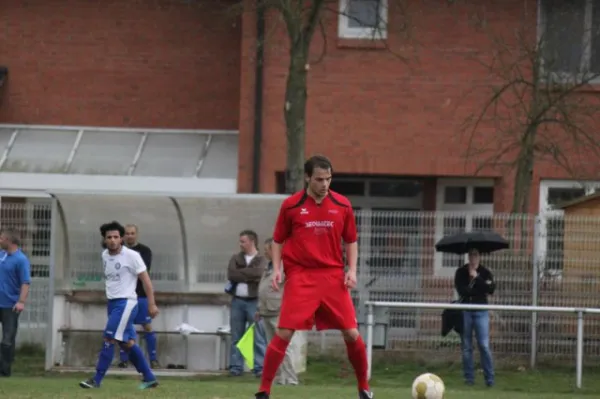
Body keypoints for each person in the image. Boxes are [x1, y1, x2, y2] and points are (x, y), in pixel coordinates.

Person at [254, 155, 373, 399]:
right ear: (308, 177)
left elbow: (351, 240)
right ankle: (264, 391)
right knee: (284, 332)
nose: (325, 184)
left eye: (328, 179)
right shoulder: (291, 206)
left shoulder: (343, 205)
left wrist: (351, 270)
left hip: (332, 276)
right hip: (301, 276)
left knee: (351, 333)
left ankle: (364, 389)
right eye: (319, 179)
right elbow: (278, 240)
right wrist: (277, 269)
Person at [79, 221, 159, 389]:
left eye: (116, 237)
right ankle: (149, 377)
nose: (113, 240)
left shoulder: (132, 256)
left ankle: (97, 379)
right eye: (109, 237)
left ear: (121, 238)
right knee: (126, 343)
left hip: (127, 303)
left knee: (109, 337)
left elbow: (146, 280)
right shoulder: (105, 256)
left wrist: (152, 303)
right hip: (113, 303)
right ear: (104, 239)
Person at [255, 237, 298, 386]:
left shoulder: (286, 267)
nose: (265, 252)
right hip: (267, 311)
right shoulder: (269, 267)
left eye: (268, 249)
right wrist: (259, 309)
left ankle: (291, 379)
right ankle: (280, 378)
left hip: (280, 311)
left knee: (284, 347)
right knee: (273, 348)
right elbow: (264, 288)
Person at [227, 230, 268, 377]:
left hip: (254, 302)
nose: (240, 244)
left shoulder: (261, 259)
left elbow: (259, 273)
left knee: (258, 335)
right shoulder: (235, 258)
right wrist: (249, 274)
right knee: (236, 334)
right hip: (237, 301)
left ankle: (259, 367)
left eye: (243, 241)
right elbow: (231, 274)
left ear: (252, 242)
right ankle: (235, 367)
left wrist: (242, 274)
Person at [118, 224, 158, 369]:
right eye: (127, 233)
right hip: (123, 295)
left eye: (132, 233)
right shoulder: (118, 251)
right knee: (122, 326)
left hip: (140, 295)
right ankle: (123, 359)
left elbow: (141, 271)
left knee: (147, 326)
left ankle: (153, 359)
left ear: (137, 235)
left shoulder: (145, 251)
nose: (130, 236)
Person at [454, 248, 496, 387]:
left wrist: (477, 278)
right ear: (468, 257)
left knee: (484, 345)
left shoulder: (485, 273)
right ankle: (469, 379)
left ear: (479, 257)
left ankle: (489, 380)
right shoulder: (460, 272)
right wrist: (475, 286)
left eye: (476, 255)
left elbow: (490, 289)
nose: (473, 258)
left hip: (481, 312)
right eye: (471, 255)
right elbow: (462, 291)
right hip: (466, 311)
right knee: (466, 347)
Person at [0, 227, 31, 377]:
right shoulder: (1, 256)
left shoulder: (21, 259)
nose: (0, 241)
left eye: (2, 238)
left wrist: (21, 301)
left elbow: (25, 282)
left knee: (7, 339)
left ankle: (5, 372)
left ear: (9, 241)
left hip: (10, 305)